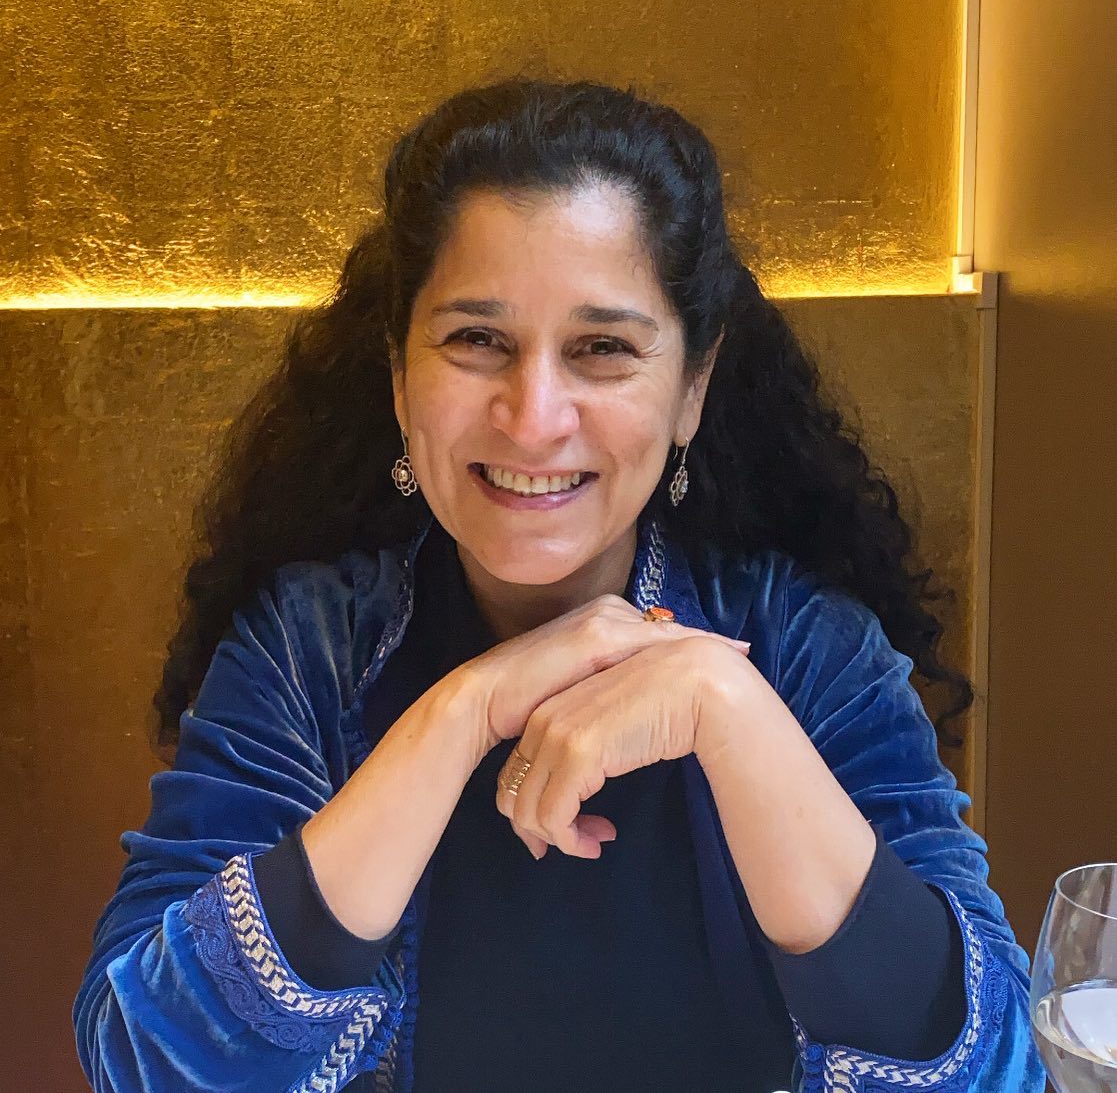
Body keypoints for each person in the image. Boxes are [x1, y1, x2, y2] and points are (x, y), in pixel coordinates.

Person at [74, 77, 1044, 1093]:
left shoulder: (804, 643)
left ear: (692, 388)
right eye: (476, 340)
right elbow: (141, 1061)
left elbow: (1003, 1071)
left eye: (602, 349)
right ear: (400, 376)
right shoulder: (308, 644)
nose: (533, 418)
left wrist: (731, 711)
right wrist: (459, 713)